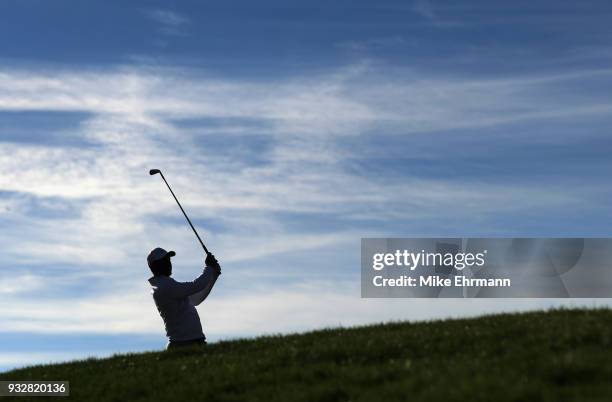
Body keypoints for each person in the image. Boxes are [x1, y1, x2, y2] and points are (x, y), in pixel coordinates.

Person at [147, 247, 221, 350]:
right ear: (156, 266)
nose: (169, 264)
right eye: (165, 261)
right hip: (184, 344)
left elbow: (195, 300)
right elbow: (196, 285)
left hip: (192, 342)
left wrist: (213, 274)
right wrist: (209, 267)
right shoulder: (164, 286)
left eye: (169, 260)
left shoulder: (165, 285)